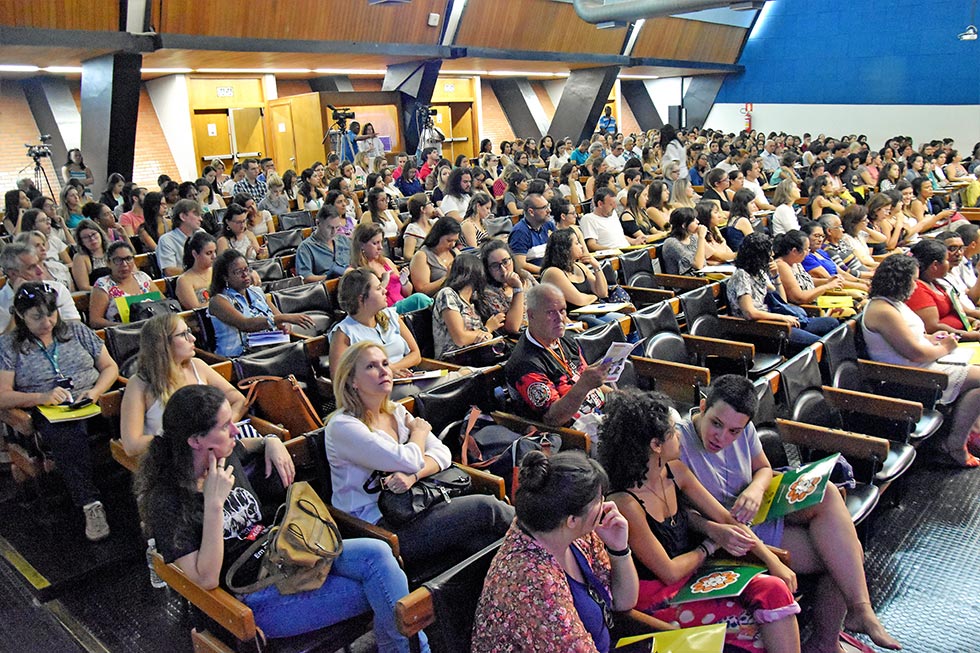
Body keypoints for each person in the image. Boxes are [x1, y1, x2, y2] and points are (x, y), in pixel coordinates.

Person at [135, 384, 426, 652]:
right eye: (225, 426)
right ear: (196, 440)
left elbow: (254, 443)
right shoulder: (168, 500)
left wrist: (271, 441)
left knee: (379, 553)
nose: (236, 431)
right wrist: (213, 505)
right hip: (254, 599)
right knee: (387, 590)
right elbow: (205, 580)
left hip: (287, 554)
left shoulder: (224, 452)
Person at [678, 375, 902, 651]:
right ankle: (831, 639)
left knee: (829, 493)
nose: (722, 438)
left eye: (733, 432)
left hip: (759, 509)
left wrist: (756, 490)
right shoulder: (679, 442)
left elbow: (762, 469)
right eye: (716, 424)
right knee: (844, 556)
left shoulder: (742, 428)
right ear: (703, 407)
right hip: (732, 534)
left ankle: (857, 613)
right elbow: (681, 512)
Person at [597, 388, 801, 653]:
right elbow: (668, 571)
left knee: (773, 587)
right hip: (658, 596)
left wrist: (771, 560)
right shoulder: (625, 502)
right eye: (672, 431)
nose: (680, 434)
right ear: (656, 445)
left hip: (692, 576)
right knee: (752, 625)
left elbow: (727, 519)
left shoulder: (676, 472)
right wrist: (709, 546)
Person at [323, 341, 514, 570]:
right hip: (380, 528)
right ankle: (549, 539)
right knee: (488, 508)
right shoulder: (343, 427)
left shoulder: (396, 411)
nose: (385, 370)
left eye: (385, 363)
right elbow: (411, 459)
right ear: (352, 380)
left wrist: (413, 476)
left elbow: (442, 453)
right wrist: (420, 432)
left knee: (485, 542)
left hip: (418, 501)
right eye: (371, 367)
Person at [472, 450, 637, 653]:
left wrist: (619, 549)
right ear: (572, 520)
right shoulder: (533, 581)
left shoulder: (572, 534)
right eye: (598, 500)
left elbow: (622, 601)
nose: (605, 504)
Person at [0, 282, 118, 541]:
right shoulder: (10, 345)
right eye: (37, 316)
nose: (47, 322)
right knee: (68, 432)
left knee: (132, 410)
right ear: (20, 315)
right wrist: (41, 397)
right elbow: (3, 395)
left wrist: (96, 391)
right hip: (52, 409)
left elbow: (109, 367)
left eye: (51, 313)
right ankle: (90, 503)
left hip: (92, 399)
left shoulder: (75, 330)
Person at [120, 314, 246, 455]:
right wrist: (187, 437)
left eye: (189, 332)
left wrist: (219, 430)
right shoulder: (139, 384)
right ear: (162, 344)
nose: (193, 339)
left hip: (212, 450)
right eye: (183, 334)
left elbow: (238, 400)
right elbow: (131, 445)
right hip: (173, 458)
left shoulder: (198, 366)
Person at [505, 283, 610, 425]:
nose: (560, 318)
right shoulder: (525, 363)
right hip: (572, 432)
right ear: (531, 315)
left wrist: (622, 398)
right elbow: (552, 418)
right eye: (550, 312)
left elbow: (588, 379)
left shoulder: (566, 339)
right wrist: (584, 385)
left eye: (562, 311)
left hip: (600, 412)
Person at [728, 232, 839, 349]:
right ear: (758, 255)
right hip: (761, 328)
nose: (772, 255)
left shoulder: (759, 272)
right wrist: (783, 318)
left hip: (777, 320)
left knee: (832, 324)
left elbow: (782, 300)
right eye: (768, 252)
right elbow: (750, 313)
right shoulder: (741, 275)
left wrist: (776, 276)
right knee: (820, 344)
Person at [208, 250, 316, 358]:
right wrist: (284, 318)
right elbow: (245, 324)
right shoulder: (218, 301)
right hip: (239, 356)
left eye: (246, 269)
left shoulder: (257, 292)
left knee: (300, 352)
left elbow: (279, 318)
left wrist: (284, 326)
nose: (245, 275)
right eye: (238, 272)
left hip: (267, 345)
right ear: (225, 277)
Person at [540, 229, 620, 328]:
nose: (581, 246)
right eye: (577, 243)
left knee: (630, 322)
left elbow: (603, 293)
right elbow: (579, 300)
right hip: (573, 318)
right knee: (616, 327)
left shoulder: (580, 266)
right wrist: (594, 297)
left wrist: (596, 266)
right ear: (565, 248)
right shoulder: (553, 272)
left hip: (595, 311)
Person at [906, 238, 980, 341]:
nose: (948, 264)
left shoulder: (936, 283)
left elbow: (957, 312)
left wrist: (973, 322)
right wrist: (973, 336)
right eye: (946, 260)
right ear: (935, 265)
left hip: (964, 333)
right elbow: (932, 328)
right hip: (948, 343)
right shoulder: (918, 289)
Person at [432, 253, 502, 360]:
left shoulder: (474, 301)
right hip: (453, 358)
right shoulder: (447, 294)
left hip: (476, 353)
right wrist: (487, 329)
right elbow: (460, 338)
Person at [349, 223, 431, 314]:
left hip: (403, 309)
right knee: (419, 299)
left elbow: (407, 294)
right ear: (361, 245)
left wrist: (404, 282)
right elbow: (365, 303)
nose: (380, 247)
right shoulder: (354, 272)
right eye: (375, 243)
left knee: (423, 301)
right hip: (384, 312)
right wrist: (384, 282)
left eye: (381, 242)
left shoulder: (386, 262)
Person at [89, 241, 154, 329]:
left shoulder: (143, 277)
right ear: (108, 262)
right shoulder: (103, 285)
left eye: (128, 258)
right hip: (123, 333)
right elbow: (95, 320)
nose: (124, 264)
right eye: (118, 260)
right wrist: (124, 327)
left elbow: (162, 302)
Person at [773, 229, 845, 307]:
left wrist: (827, 281)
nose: (808, 253)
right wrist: (827, 286)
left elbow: (805, 281)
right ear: (794, 251)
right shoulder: (782, 266)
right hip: (806, 308)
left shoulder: (796, 262)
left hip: (815, 301)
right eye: (806, 249)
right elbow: (799, 297)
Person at [476, 240, 532, 337]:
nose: (503, 269)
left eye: (505, 262)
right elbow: (513, 328)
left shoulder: (525, 277)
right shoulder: (488, 293)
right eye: (495, 266)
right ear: (487, 269)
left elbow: (547, 301)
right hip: (520, 339)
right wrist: (517, 289)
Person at [295, 206, 351, 282]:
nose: (334, 232)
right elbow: (305, 277)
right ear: (318, 223)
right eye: (329, 227)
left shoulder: (343, 240)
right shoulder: (306, 247)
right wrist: (329, 278)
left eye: (337, 227)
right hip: (327, 288)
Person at [409, 217, 460, 296]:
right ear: (438, 236)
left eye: (455, 241)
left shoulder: (454, 252)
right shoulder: (422, 256)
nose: (453, 244)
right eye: (449, 241)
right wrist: (447, 277)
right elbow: (422, 290)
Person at [157, 199, 204, 277]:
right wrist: (197, 271)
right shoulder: (166, 240)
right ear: (182, 216)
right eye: (196, 214)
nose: (200, 219)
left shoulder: (201, 233)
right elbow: (169, 271)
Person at [175, 231, 218, 310]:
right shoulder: (184, 280)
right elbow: (196, 309)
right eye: (209, 253)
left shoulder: (217, 270)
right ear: (195, 254)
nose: (214, 256)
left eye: (215, 252)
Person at [660, 207, 708, 276]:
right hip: (684, 282)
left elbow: (704, 262)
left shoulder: (693, 237)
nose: (698, 222)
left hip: (701, 278)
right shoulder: (671, 243)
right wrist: (701, 237)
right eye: (694, 220)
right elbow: (698, 265)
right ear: (684, 225)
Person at [71, 219, 110, 291]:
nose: (92, 239)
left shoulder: (113, 250)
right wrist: (108, 291)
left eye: (94, 234)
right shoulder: (80, 258)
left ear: (100, 234)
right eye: (86, 237)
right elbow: (84, 287)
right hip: (100, 296)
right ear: (81, 242)